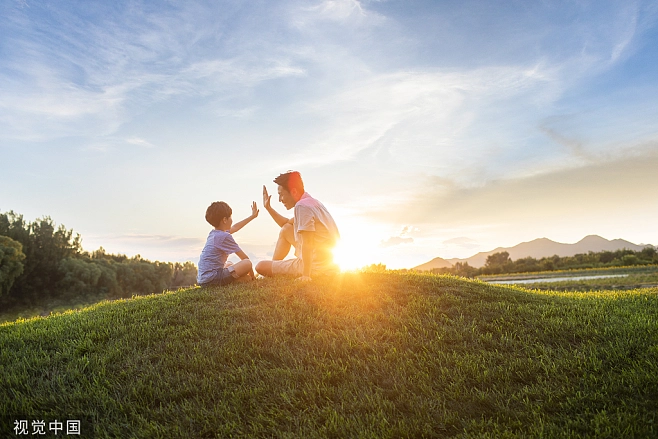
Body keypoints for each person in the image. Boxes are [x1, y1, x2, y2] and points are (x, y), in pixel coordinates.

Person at [255, 171, 340, 281]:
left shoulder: (302, 206)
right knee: (285, 230)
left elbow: (307, 243)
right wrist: (268, 208)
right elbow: (285, 224)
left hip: (316, 266)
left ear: (293, 191)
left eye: (281, 194)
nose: (280, 199)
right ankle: (273, 268)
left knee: (260, 266)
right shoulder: (313, 203)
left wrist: (306, 276)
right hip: (327, 262)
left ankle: (272, 271)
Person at [197, 201, 258, 287]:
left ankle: (238, 280)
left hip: (203, 280)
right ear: (225, 220)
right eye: (231, 217)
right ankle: (240, 280)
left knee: (229, 263)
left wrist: (252, 217)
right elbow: (244, 258)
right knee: (247, 263)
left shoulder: (214, 233)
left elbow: (235, 227)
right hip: (213, 278)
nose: (232, 220)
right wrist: (252, 277)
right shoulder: (224, 236)